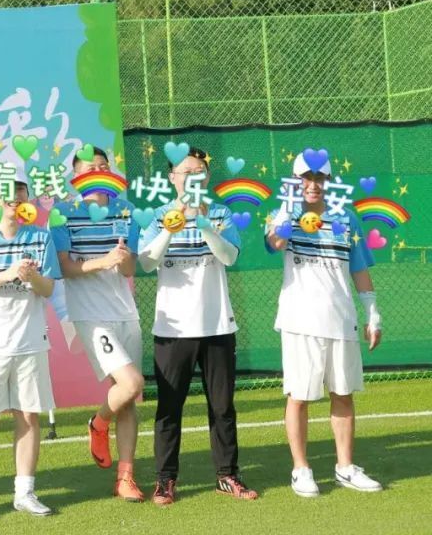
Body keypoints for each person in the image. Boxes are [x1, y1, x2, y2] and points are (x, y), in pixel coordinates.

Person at [137, 147, 258, 505]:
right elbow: (146, 262)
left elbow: (229, 256)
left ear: (206, 178)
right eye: (185, 172)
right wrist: (170, 227)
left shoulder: (220, 213)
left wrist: (204, 223)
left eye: (198, 172)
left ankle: (227, 475)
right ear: (172, 177)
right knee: (169, 409)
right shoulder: (157, 215)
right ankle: (165, 480)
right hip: (172, 331)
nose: (192, 177)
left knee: (222, 407)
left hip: (217, 326)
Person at [265, 151, 383, 497]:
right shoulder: (282, 213)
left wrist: (373, 314)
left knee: (343, 394)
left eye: (319, 178)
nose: (312, 184)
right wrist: (288, 212)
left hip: (341, 319)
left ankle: (345, 467)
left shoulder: (346, 218)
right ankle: (301, 469)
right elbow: (275, 242)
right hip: (299, 321)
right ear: (294, 180)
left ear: (328, 182)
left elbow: (359, 268)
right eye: (305, 178)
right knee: (299, 396)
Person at [0, 174, 60, 520]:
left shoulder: (40, 237)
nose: (15, 200)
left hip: (30, 343)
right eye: (7, 194)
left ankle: (25, 492)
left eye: (20, 194)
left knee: (29, 417)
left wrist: (32, 277)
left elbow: (48, 289)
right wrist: (9, 273)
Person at [51, 145, 145, 502]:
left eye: (103, 166)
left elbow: (130, 268)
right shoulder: (63, 213)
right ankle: (98, 422)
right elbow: (64, 268)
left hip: (125, 312)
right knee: (132, 382)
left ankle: (125, 477)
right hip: (90, 315)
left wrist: (121, 259)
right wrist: (103, 261)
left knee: (128, 398)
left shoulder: (126, 210)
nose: (99, 171)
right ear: (76, 176)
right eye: (91, 167)